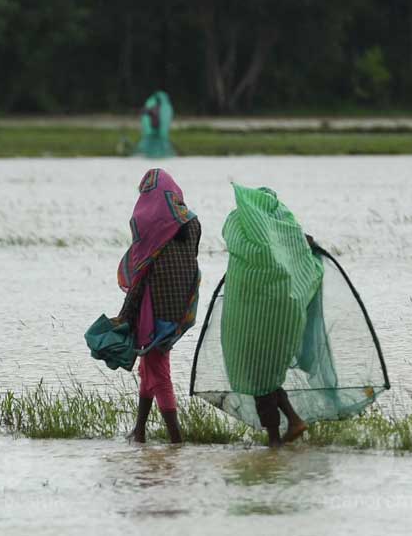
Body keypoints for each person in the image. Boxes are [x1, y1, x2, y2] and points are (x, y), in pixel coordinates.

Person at [219, 185, 321, 447]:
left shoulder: (254, 237)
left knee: (259, 379)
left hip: (257, 321)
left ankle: (275, 440)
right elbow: (304, 257)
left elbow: (238, 242)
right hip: (282, 321)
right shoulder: (288, 233)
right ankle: (291, 424)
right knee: (267, 377)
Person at [112, 168, 202, 443]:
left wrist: (124, 316)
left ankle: (176, 439)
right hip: (181, 309)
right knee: (148, 367)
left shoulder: (152, 225)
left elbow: (141, 279)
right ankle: (139, 431)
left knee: (159, 372)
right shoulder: (192, 223)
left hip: (153, 311)